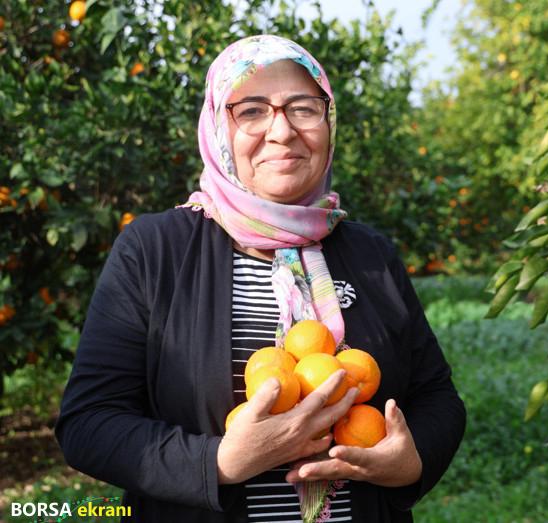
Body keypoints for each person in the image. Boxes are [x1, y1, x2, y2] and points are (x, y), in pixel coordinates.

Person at [55, 34, 466, 523]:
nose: (282, 131)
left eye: (303, 108)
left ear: (329, 121)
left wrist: (411, 462)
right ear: (217, 127)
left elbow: (437, 396)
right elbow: (88, 423)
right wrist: (218, 462)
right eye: (251, 110)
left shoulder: (370, 254)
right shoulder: (153, 250)